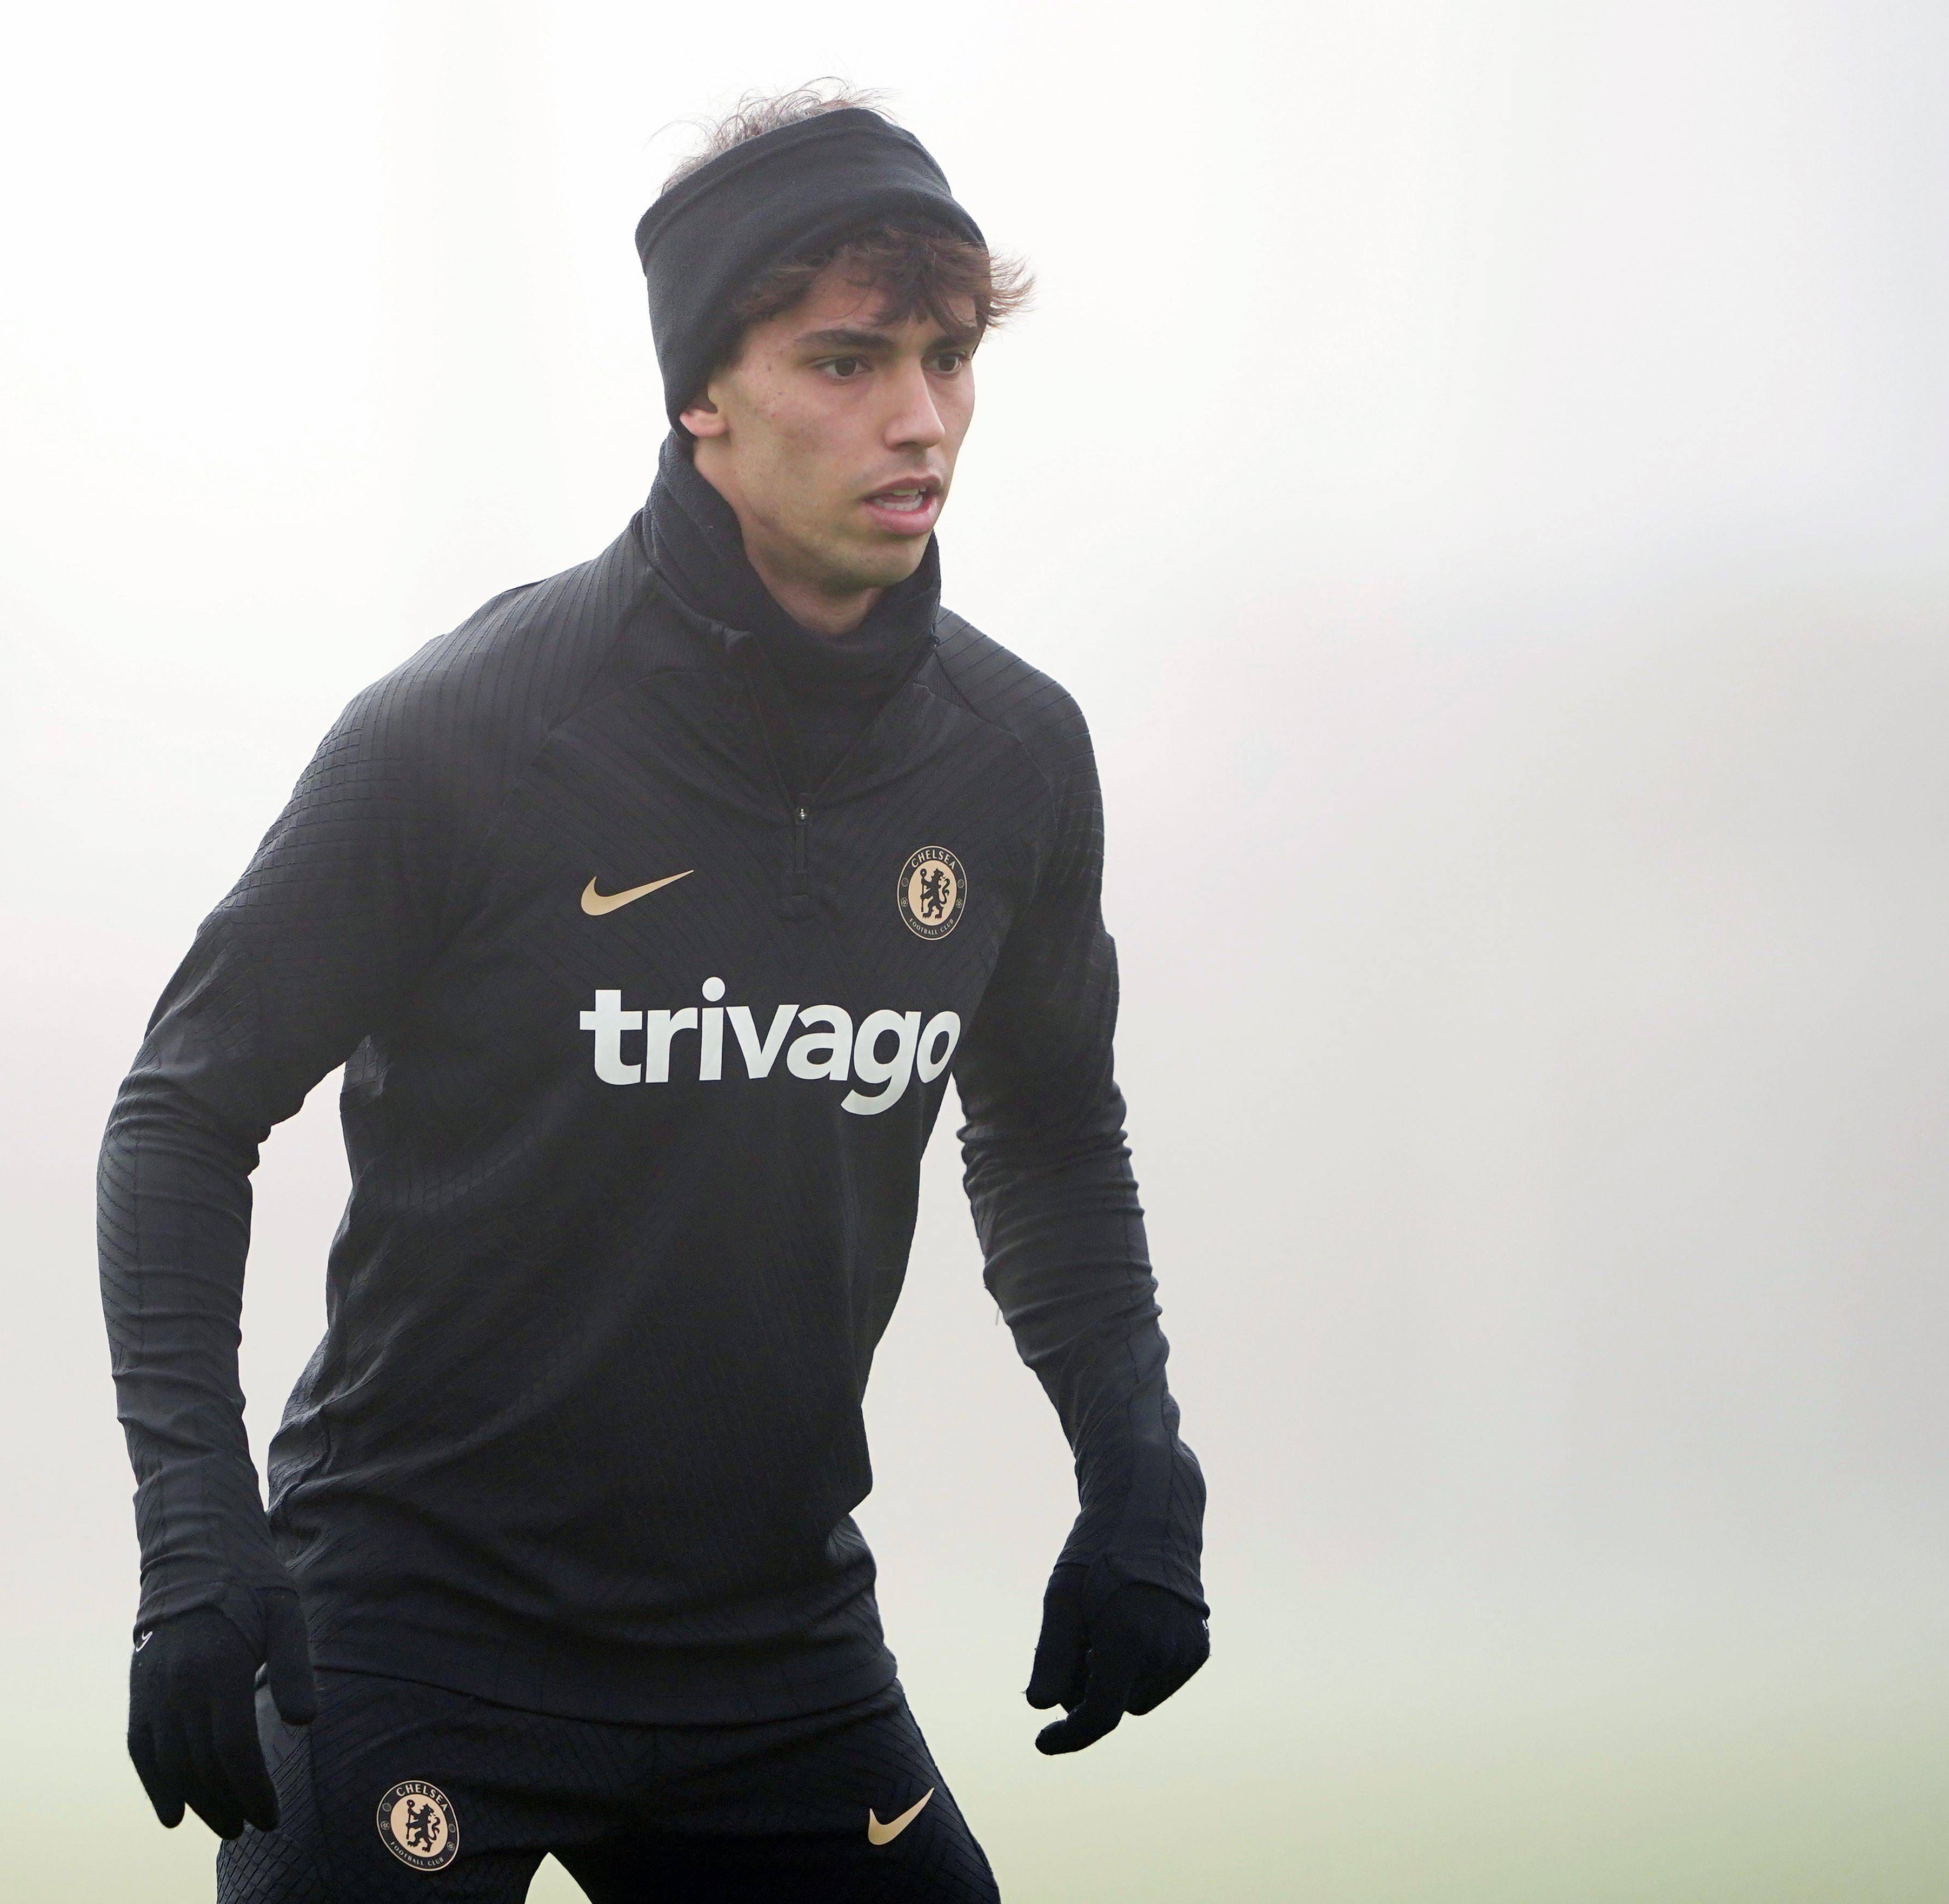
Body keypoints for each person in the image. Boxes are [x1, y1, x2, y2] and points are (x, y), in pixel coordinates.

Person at [98, 83, 1208, 1903]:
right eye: (844, 362)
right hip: (414, 1623)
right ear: (701, 390)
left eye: (944, 356)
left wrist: (1134, 1465)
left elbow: (1049, 1124)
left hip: (768, 1645)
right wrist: (194, 1537)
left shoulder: (1009, 757)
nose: (918, 417)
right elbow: (180, 1113)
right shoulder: (468, 735)